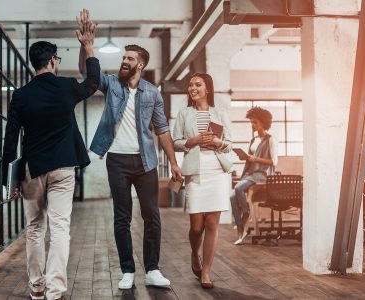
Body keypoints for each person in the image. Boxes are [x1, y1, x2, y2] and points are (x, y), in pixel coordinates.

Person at [77, 10, 182, 290]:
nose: (124, 62)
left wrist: (173, 162)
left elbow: (162, 130)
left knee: (152, 215)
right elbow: (88, 74)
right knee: (122, 216)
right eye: (123, 58)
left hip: (145, 162)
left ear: (141, 65)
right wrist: (87, 46)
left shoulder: (152, 93)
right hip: (117, 161)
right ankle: (126, 270)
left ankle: (152, 269)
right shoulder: (112, 84)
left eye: (129, 59)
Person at [1, 16, 99, 300]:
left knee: (34, 229)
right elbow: (92, 83)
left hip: (32, 170)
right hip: (63, 169)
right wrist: (88, 47)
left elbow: (10, 140)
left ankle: (36, 288)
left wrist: (9, 180)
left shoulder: (20, 96)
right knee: (59, 229)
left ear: (34, 63)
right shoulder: (67, 87)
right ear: (53, 61)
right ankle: (55, 292)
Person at [172, 73, 232, 289]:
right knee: (197, 226)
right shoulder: (184, 113)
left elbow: (229, 144)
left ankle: (206, 270)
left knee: (212, 223)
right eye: (190, 85)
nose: (193, 88)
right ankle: (194, 253)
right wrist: (194, 140)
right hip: (195, 173)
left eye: (198, 85)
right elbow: (176, 141)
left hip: (216, 171)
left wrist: (217, 142)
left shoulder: (220, 112)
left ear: (208, 89)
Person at [230, 107, 278, 245]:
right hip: (250, 173)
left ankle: (246, 212)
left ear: (263, 122)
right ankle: (241, 229)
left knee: (238, 188)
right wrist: (245, 157)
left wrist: (254, 159)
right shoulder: (254, 139)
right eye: (251, 122)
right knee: (232, 196)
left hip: (262, 175)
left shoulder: (271, 140)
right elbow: (251, 158)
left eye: (255, 122)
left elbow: (274, 161)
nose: (252, 125)